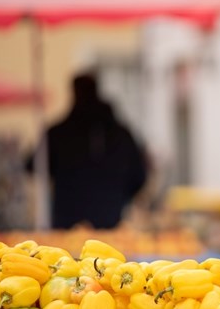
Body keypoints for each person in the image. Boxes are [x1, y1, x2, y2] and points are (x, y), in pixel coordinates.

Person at [30, 72, 147, 229]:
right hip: (110, 222)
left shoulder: (59, 133)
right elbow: (139, 176)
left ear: (74, 93)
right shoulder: (121, 134)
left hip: (67, 222)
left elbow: (34, 165)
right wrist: (117, 197)